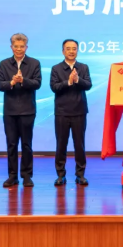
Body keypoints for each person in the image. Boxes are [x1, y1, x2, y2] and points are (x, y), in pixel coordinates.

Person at [0, 33, 41, 188]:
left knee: (27, 144)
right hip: (10, 111)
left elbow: (37, 83)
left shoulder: (34, 63)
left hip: (28, 110)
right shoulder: (4, 64)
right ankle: (12, 176)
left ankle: (27, 176)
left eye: (22, 46)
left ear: (26, 47)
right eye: (16, 46)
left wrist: (23, 81)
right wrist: (11, 82)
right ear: (11, 47)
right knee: (11, 144)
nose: (19, 49)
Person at [50, 39, 92, 186]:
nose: (71, 51)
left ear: (77, 51)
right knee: (61, 144)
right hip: (61, 112)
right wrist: (68, 82)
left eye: (74, 48)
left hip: (79, 111)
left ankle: (80, 175)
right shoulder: (56, 68)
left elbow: (88, 85)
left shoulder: (83, 67)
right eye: (68, 49)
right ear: (63, 51)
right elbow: (54, 87)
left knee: (79, 145)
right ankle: (60, 175)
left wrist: (77, 79)